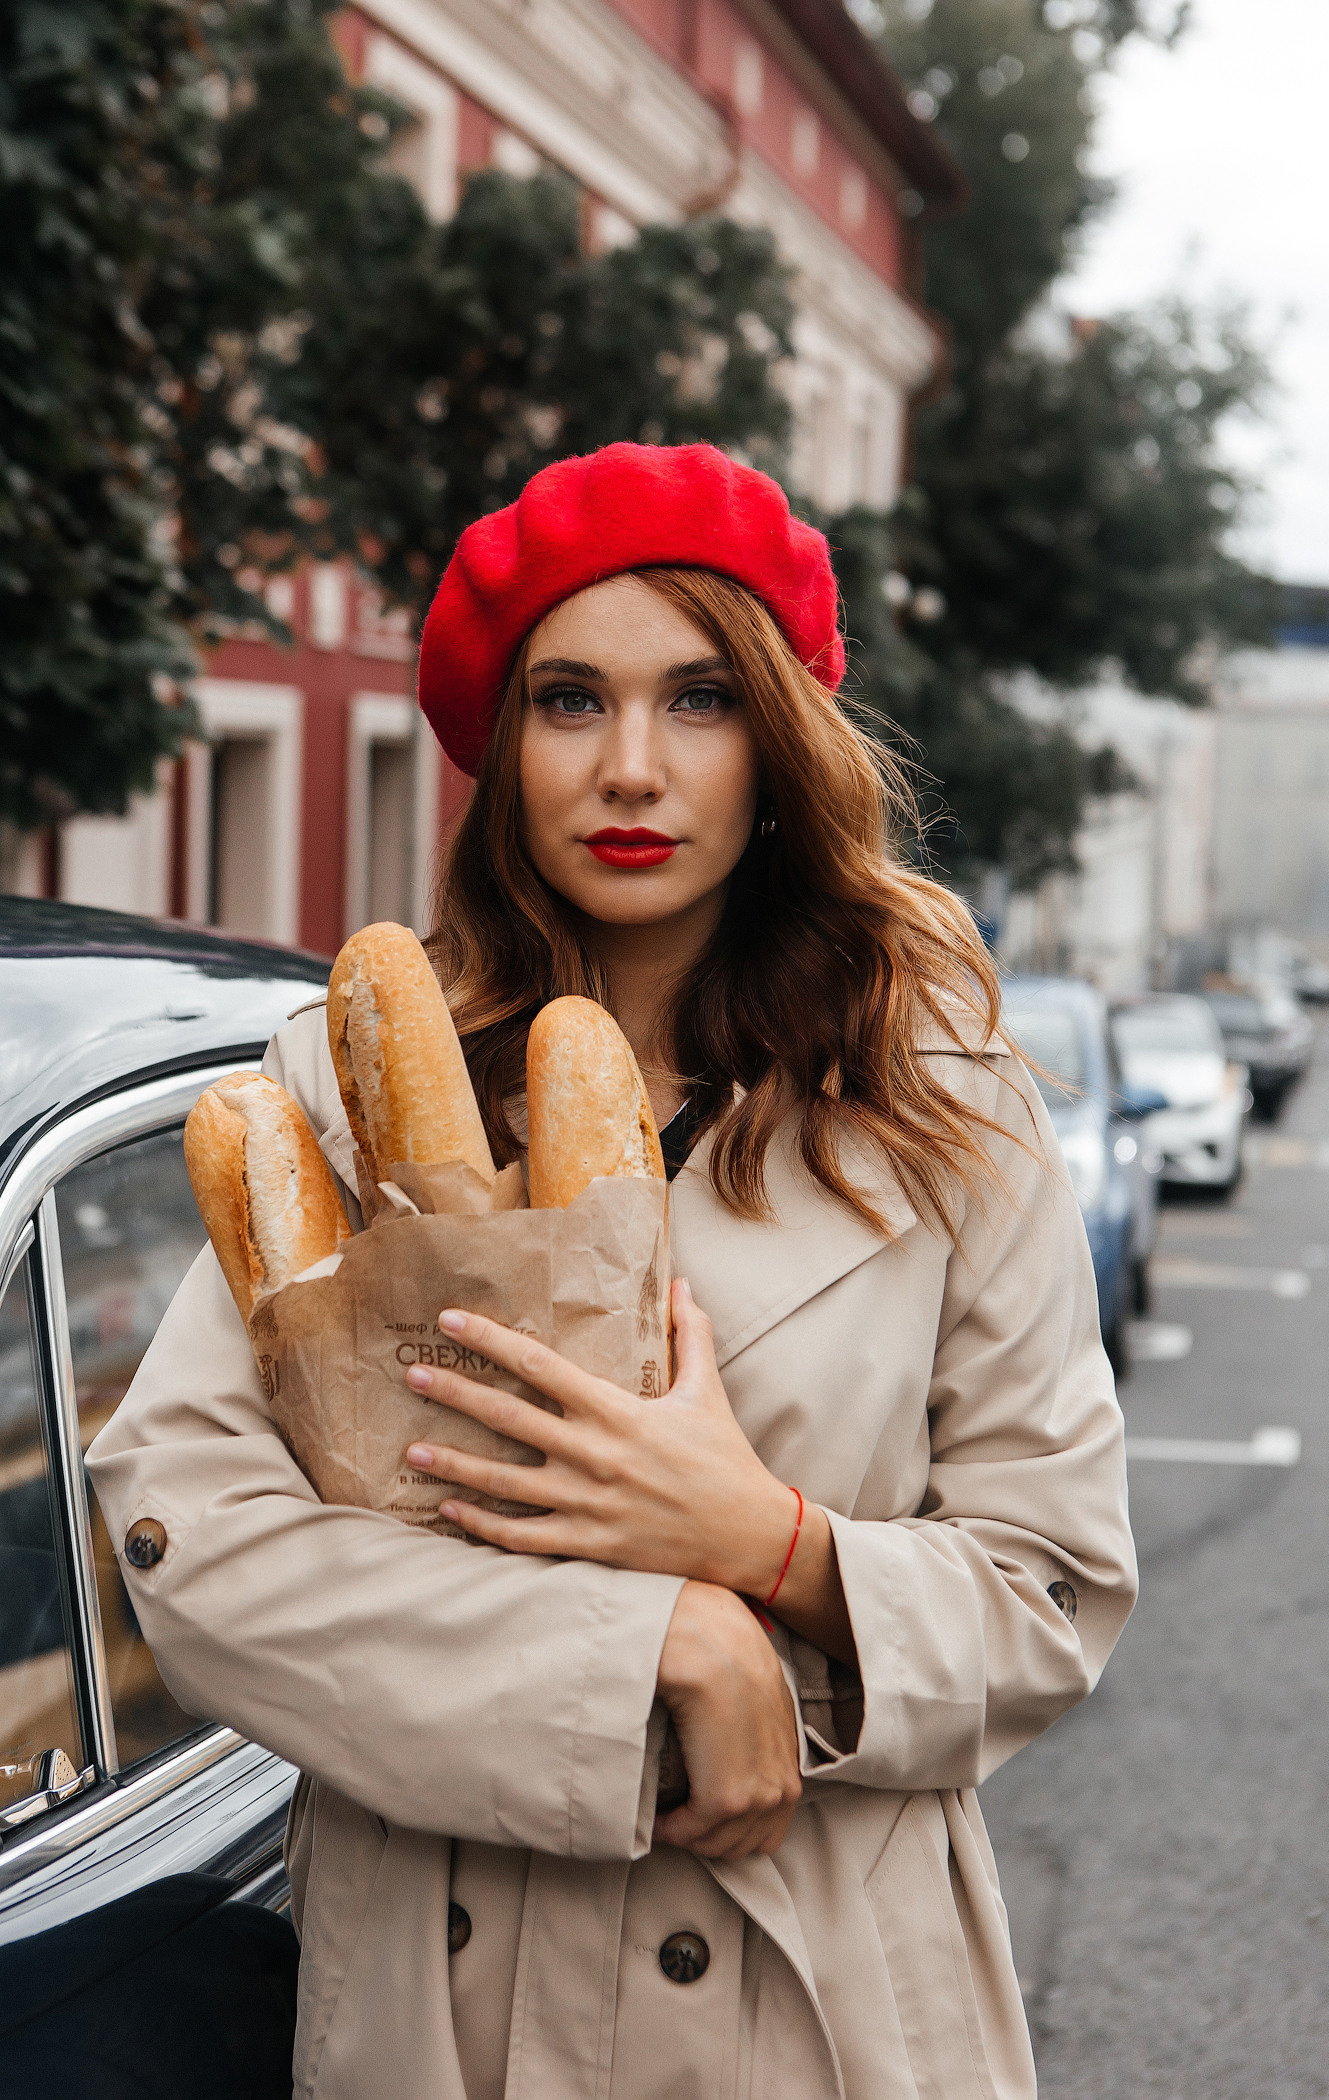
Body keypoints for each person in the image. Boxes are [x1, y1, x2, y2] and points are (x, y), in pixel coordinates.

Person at [90, 442, 1137, 2100]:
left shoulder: (944, 1097)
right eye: (571, 701)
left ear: (779, 742)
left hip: (822, 2007)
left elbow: (1052, 1590)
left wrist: (767, 1548)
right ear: (502, 749)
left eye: (702, 699)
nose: (632, 767)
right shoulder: (345, 1084)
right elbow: (196, 1543)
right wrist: (656, 1652)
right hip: (446, 2008)